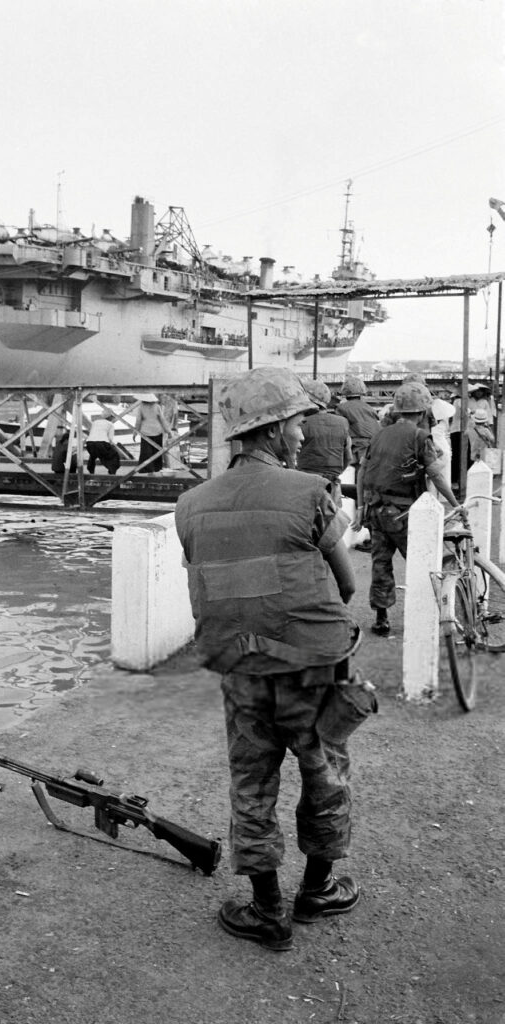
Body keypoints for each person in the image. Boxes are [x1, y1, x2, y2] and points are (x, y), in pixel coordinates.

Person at [175, 366, 363, 953]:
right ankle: (317, 890)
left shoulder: (190, 504)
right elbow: (349, 586)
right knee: (324, 775)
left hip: (243, 672)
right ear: (275, 430)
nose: (305, 435)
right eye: (299, 423)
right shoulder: (312, 492)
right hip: (312, 670)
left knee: (252, 782)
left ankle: (266, 909)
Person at [353, 382, 462, 637]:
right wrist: (457, 505)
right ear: (423, 412)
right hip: (403, 514)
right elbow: (436, 474)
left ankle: (381, 618)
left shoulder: (379, 435)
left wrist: (360, 507)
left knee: (381, 564)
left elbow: (362, 473)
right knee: (422, 563)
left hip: (376, 511)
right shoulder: (419, 437)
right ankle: (426, 614)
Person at [297, 378, 352, 506]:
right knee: (333, 522)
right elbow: (348, 457)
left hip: (306, 483)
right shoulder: (342, 423)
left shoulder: (301, 423)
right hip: (333, 485)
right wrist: (333, 473)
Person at [334, 375, 380, 474]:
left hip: (356, 448)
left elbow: (340, 431)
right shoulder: (370, 408)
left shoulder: (341, 408)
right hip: (373, 447)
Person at [134, 393, 171, 473]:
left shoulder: (141, 407)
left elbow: (138, 421)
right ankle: (156, 468)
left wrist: (135, 433)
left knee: (145, 452)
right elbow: (162, 420)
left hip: (145, 432)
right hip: (157, 431)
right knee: (157, 452)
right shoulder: (157, 407)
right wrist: (168, 431)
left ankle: (146, 469)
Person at [85, 410, 121, 475]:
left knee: (93, 455)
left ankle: (91, 471)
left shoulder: (95, 422)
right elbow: (110, 439)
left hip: (89, 443)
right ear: (111, 417)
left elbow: (92, 433)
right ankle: (112, 472)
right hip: (102, 443)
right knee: (114, 456)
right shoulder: (110, 424)